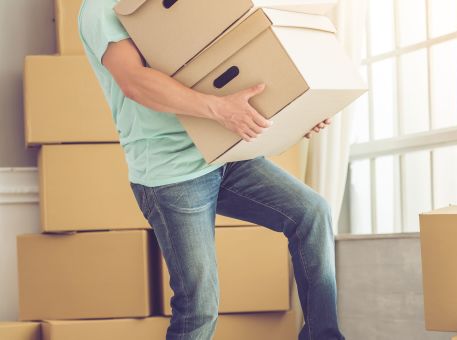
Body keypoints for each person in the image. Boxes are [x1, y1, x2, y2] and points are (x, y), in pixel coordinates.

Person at [78, 1, 345, 339]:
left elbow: (228, 61)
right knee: (199, 305)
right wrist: (220, 110)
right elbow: (135, 82)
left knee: (312, 212)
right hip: (171, 172)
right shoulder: (102, 8)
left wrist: (297, 113)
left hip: (224, 153)